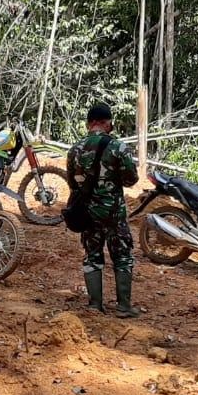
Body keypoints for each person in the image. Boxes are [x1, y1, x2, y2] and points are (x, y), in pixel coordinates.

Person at [66, 102, 140, 317]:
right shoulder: (118, 147)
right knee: (123, 256)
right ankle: (124, 306)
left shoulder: (75, 150)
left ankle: (95, 305)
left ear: (89, 123)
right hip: (114, 214)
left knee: (92, 256)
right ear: (108, 123)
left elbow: (72, 183)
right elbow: (131, 180)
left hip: (88, 214)